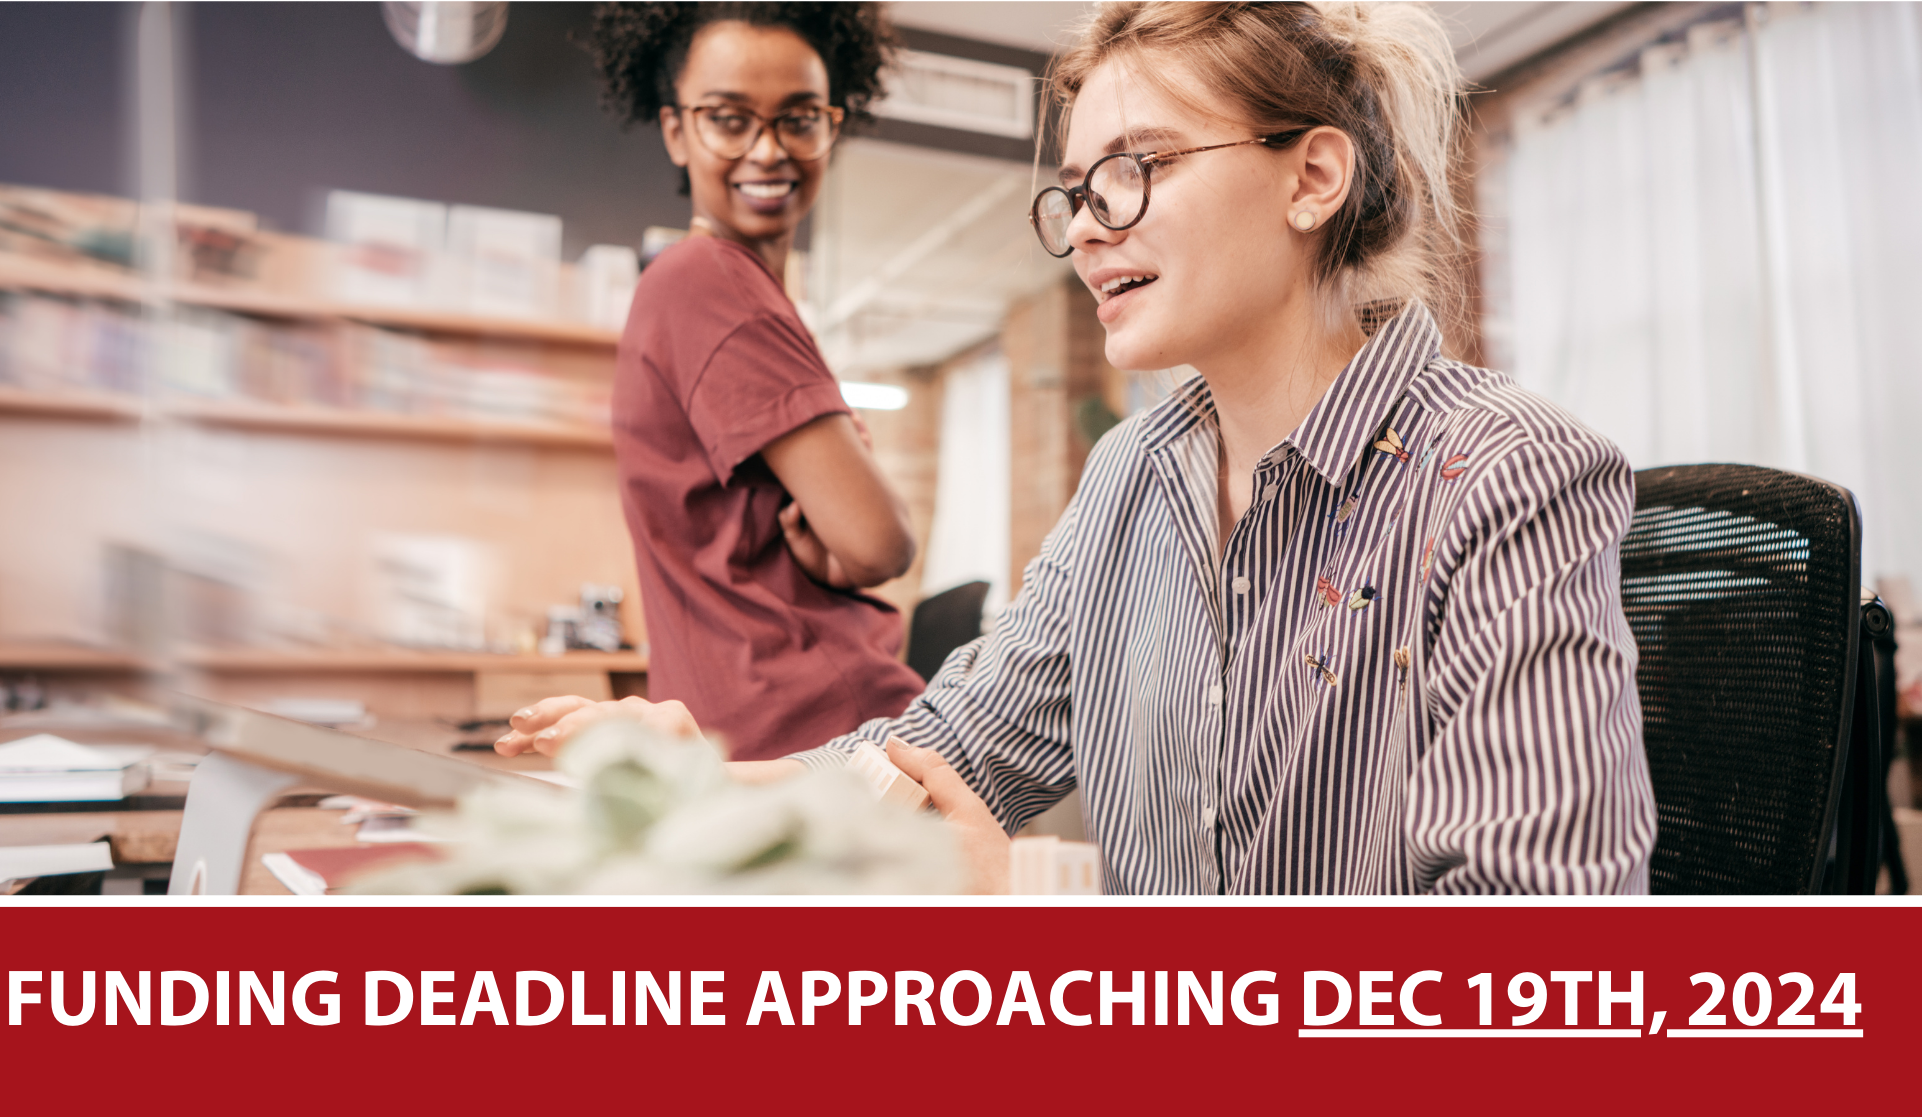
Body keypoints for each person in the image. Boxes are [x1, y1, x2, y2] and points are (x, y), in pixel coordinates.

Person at [505, 1, 1658, 895]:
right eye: (1076, 194)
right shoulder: (1134, 478)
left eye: (1138, 168)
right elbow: (941, 746)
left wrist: (1045, 918)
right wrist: (698, 776)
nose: (1092, 226)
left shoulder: (1507, 476)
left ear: (1312, 177)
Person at [579, 3, 926, 761]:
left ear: (832, 122)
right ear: (676, 130)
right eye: (729, 120)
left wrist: (830, 545)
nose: (768, 150)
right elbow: (879, 542)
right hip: (814, 735)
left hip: (777, 738)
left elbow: (842, 543)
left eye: (798, 118)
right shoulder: (705, 280)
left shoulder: (724, 291)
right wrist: (851, 529)